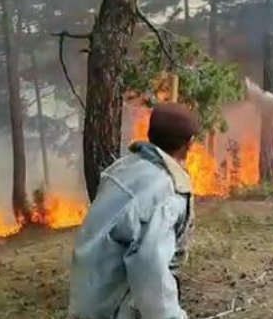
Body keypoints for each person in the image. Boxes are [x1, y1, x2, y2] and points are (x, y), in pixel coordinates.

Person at [68, 103, 199, 319]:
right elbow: (149, 263)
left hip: (90, 297)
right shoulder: (164, 191)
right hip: (116, 305)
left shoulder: (123, 168)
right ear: (189, 144)